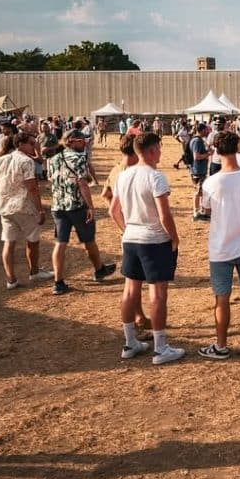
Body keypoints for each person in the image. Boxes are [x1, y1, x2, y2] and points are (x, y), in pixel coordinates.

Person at [109, 132, 185, 364]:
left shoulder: (123, 176)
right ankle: (161, 348)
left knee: (130, 290)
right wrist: (174, 237)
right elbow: (164, 214)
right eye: (159, 148)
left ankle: (130, 342)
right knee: (158, 293)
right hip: (154, 240)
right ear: (151, 151)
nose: (161, 152)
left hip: (131, 237)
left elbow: (114, 210)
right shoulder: (156, 177)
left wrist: (126, 230)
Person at [198, 131, 240, 359]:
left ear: (216, 151)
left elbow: (206, 211)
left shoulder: (211, 182)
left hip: (220, 247)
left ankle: (221, 345)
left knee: (221, 298)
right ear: (238, 147)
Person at [46, 129, 115, 295]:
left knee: (60, 242)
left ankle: (58, 281)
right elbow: (83, 184)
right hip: (77, 206)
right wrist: (91, 206)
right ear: (72, 141)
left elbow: (51, 180)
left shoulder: (53, 159)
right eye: (82, 140)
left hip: (58, 206)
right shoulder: (79, 158)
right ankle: (99, 270)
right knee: (88, 239)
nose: (85, 143)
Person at [0, 133, 54, 289]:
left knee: (8, 242)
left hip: (4, 206)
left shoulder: (0, 160)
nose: (34, 146)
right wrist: (40, 210)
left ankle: (11, 279)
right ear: (20, 144)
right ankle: (34, 272)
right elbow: (32, 188)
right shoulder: (26, 162)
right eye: (31, 143)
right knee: (32, 240)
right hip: (23, 206)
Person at [101, 134, 150, 330]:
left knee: (134, 280)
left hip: (127, 231)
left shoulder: (116, 170)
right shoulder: (133, 172)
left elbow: (106, 195)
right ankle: (137, 319)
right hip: (137, 230)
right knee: (134, 283)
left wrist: (121, 221)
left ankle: (139, 317)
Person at [189, 123, 211, 221]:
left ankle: (200, 211)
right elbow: (196, 156)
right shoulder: (197, 141)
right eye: (206, 130)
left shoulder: (197, 140)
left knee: (201, 191)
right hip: (198, 170)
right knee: (198, 192)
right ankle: (196, 212)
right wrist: (208, 154)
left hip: (198, 169)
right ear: (202, 130)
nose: (208, 132)